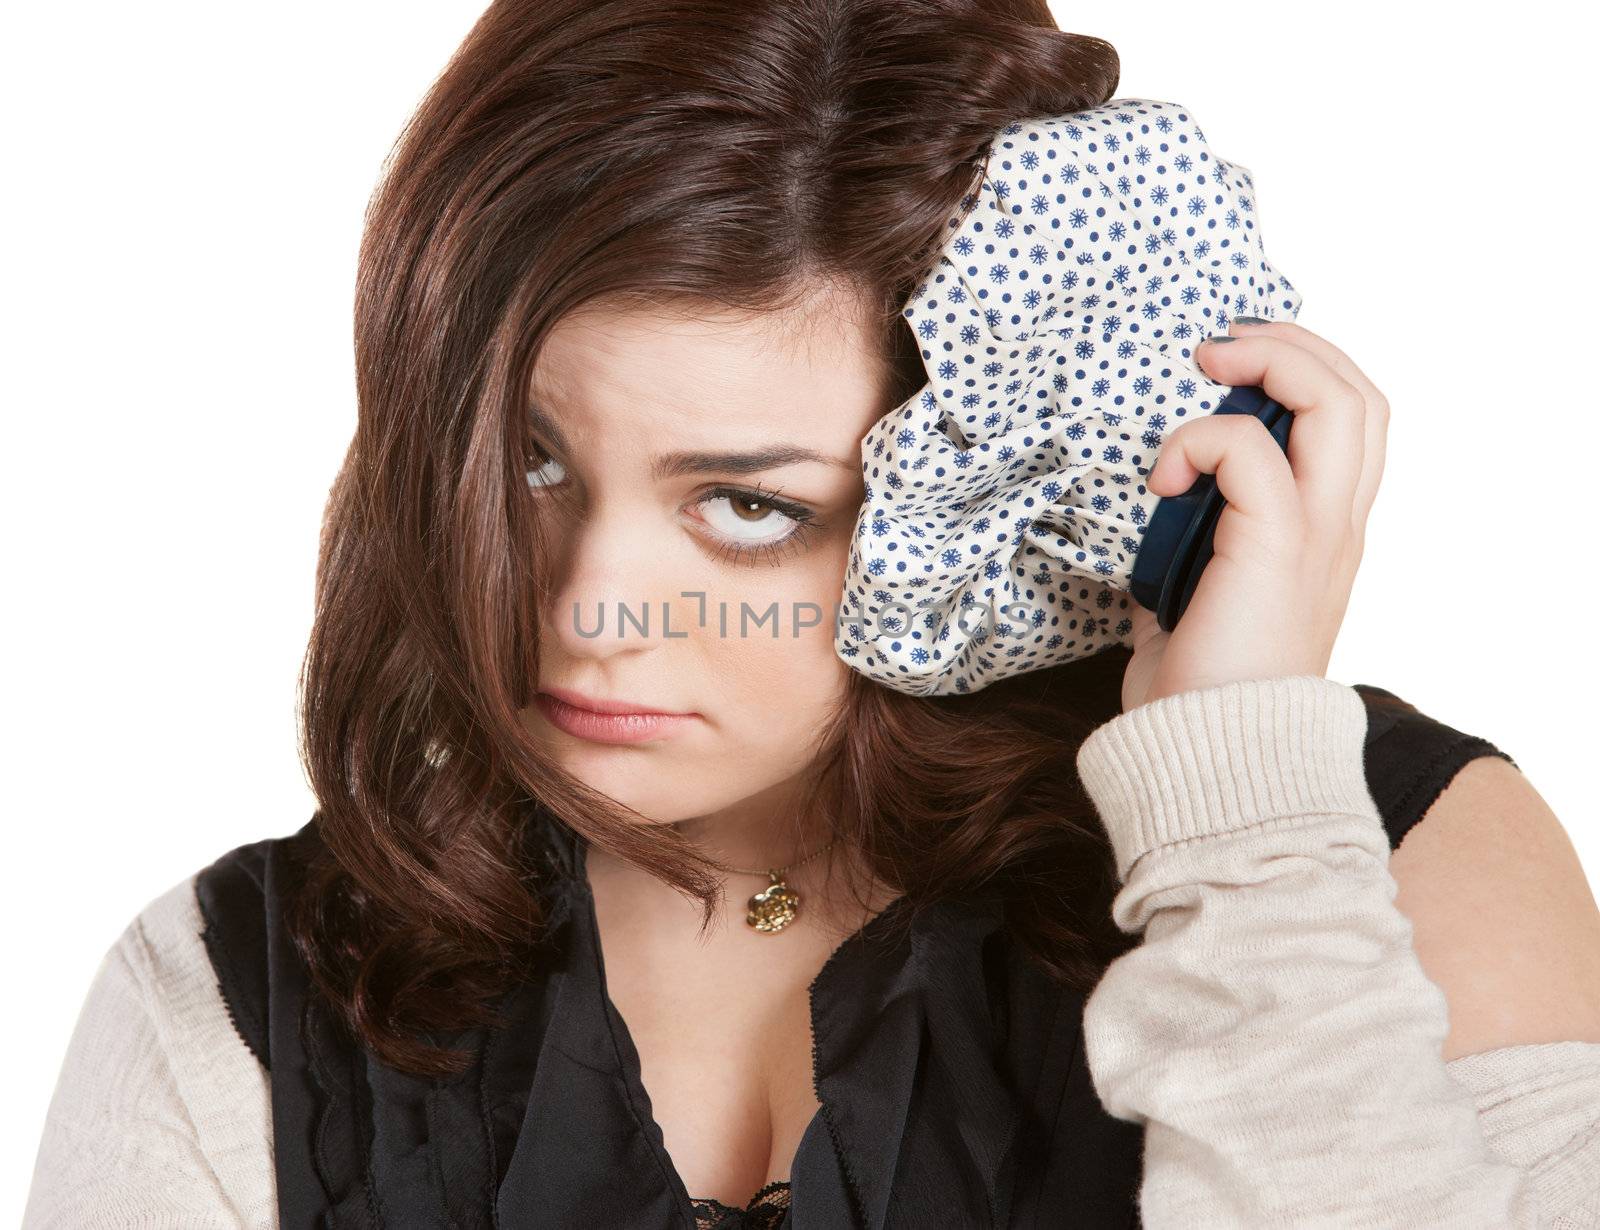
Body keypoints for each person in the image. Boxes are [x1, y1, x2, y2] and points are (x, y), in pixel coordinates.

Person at [24, 1, 1600, 1226]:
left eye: (750, 504)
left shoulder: (1383, 871)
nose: (584, 612)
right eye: (530, 460)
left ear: (970, 464)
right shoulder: (234, 994)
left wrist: (1242, 815)